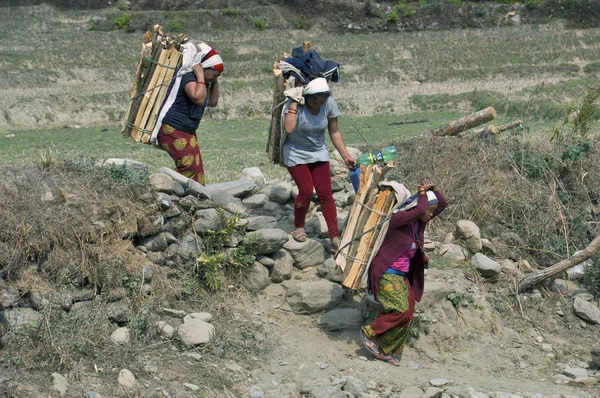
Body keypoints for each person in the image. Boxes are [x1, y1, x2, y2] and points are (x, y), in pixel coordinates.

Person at [360, 180, 447, 366]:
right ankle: (369, 332)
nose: (431, 215)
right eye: (428, 210)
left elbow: (442, 204)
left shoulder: (419, 223)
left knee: (407, 312)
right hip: (386, 272)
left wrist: (432, 190)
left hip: (401, 275)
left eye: (432, 211)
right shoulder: (399, 219)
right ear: (418, 205)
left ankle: (384, 348)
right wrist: (422, 193)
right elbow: (419, 209)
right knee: (398, 308)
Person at [282, 77, 356, 251]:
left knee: (325, 193)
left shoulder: (328, 103)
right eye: (314, 100)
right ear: (307, 97)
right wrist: (293, 103)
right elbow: (289, 128)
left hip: (318, 151)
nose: (318, 104)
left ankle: (334, 236)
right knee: (306, 191)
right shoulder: (295, 104)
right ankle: (299, 226)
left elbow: (334, 131)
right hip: (295, 152)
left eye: (322, 100)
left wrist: (345, 156)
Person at [156, 44, 223, 186]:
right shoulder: (189, 78)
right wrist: (200, 76)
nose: (216, 77)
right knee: (187, 166)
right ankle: (157, 185)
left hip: (187, 132)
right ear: (204, 67)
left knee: (196, 168)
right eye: (215, 73)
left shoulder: (205, 82)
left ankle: (193, 199)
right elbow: (198, 98)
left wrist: (214, 79)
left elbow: (212, 102)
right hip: (173, 129)